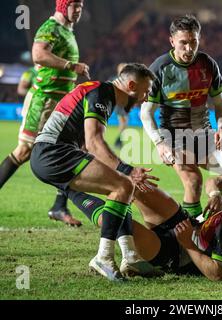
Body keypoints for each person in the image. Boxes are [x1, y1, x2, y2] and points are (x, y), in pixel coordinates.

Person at [30, 63, 161, 281]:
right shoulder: (102, 93)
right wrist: (128, 169)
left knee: (120, 191)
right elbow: (94, 142)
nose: (145, 98)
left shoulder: (101, 92)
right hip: (53, 153)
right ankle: (104, 258)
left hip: (51, 155)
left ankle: (130, 257)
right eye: (145, 92)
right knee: (124, 184)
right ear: (130, 85)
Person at [67, 158, 222, 280]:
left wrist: (188, 243)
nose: (221, 181)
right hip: (186, 225)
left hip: (180, 255)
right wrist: (215, 194)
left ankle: (66, 187)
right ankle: (79, 166)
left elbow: (217, 273)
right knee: (135, 185)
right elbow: (212, 181)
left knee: (118, 221)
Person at [0, 0, 90, 227]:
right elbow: (38, 55)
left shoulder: (67, 30)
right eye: (74, 5)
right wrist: (71, 65)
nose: (78, 10)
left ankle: (59, 207)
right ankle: (59, 206)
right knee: (24, 152)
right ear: (62, 6)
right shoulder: (50, 28)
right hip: (44, 102)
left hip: (61, 105)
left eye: (80, 5)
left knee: (74, 150)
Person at [141, 14, 222, 220]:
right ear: (172, 41)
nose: (189, 48)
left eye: (193, 42)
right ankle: (191, 237)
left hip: (204, 133)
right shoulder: (160, 68)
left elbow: (220, 104)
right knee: (193, 181)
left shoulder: (208, 64)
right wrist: (159, 143)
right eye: (183, 42)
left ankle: (214, 223)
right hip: (174, 137)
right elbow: (145, 113)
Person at [110, 63, 130, 149]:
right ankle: (118, 141)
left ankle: (119, 141)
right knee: (123, 122)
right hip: (119, 104)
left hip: (124, 104)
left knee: (124, 123)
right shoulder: (116, 80)